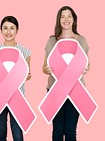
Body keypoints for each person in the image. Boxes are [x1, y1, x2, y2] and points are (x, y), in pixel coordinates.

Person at [42, 6, 90, 141]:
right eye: (63, 16)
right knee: (57, 130)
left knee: (70, 130)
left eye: (69, 16)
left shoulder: (82, 40)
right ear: (59, 20)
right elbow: (44, 67)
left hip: (76, 90)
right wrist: (47, 69)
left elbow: (87, 63)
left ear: (74, 20)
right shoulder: (52, 40)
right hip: (55, 90)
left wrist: (86, 69)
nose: (66, 19)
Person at [0, 16, 31, 141]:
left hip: (18, 97)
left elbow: (28, 74)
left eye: (12, 28)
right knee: (0, 136)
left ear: (17, 31)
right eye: (5, 28)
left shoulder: (25, 51)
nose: (8, 32)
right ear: (1, 30)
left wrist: (28, 75)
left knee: (18, 136)